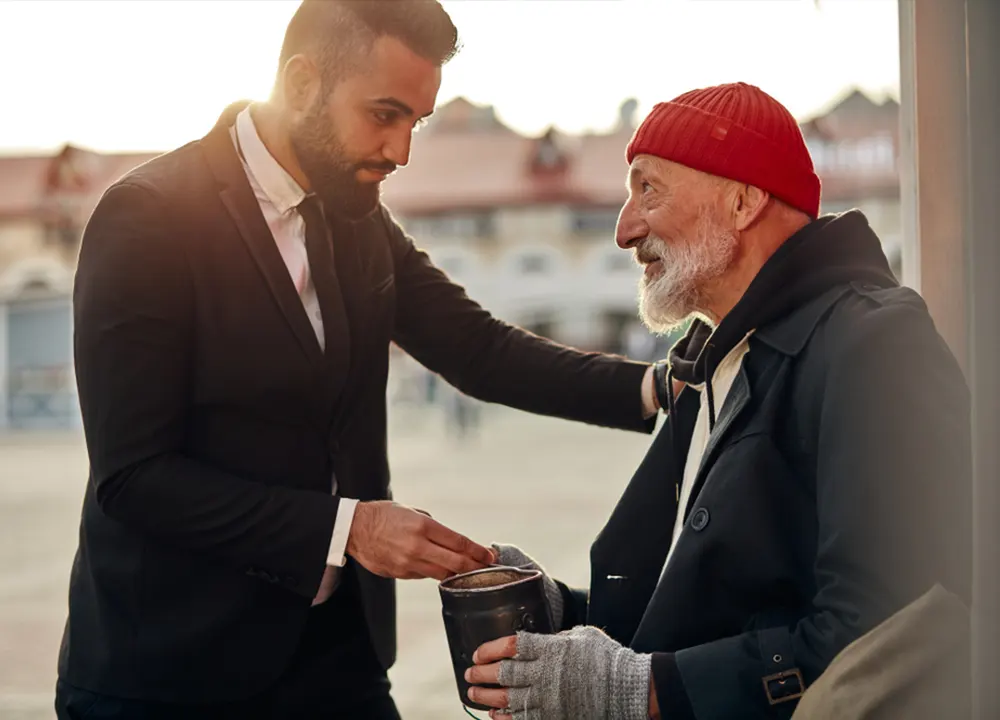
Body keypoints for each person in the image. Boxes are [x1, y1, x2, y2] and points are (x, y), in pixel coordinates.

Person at [55, 2, 661, 718]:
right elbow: (133, 477)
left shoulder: (357, 216)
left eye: (417, 122)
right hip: (170, 670)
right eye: (384, 114)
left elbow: (480, 349)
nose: (401, 150)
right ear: (303, 82)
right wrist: (348, 529)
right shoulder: (147, 219)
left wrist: (658, 388)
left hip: (337, 659)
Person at [466, 82, 971, 719]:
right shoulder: (715, 357)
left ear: (742, 200)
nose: (624, 229)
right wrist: (557, 611)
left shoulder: (873, 343)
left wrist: (640, 692)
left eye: (648, 188)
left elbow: (887, 631)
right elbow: (692, 609)